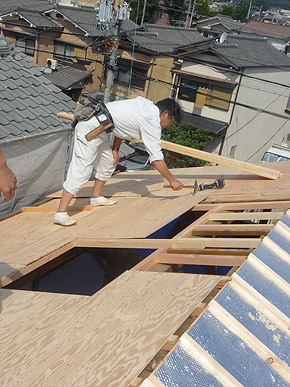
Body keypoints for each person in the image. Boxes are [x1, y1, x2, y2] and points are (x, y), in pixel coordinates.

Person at [54, 96, 184, 226]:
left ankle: (95, 197)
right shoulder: (151, 120)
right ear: (165, 113)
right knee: (82, 169)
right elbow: (156, 158)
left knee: (108, 161)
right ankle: (61, 213)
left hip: (101, 128)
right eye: (171, 121)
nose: (169, 125)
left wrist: (115, 149)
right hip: (89, 130)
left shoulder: (145, 105)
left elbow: (121, 125)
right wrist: (172, 181)